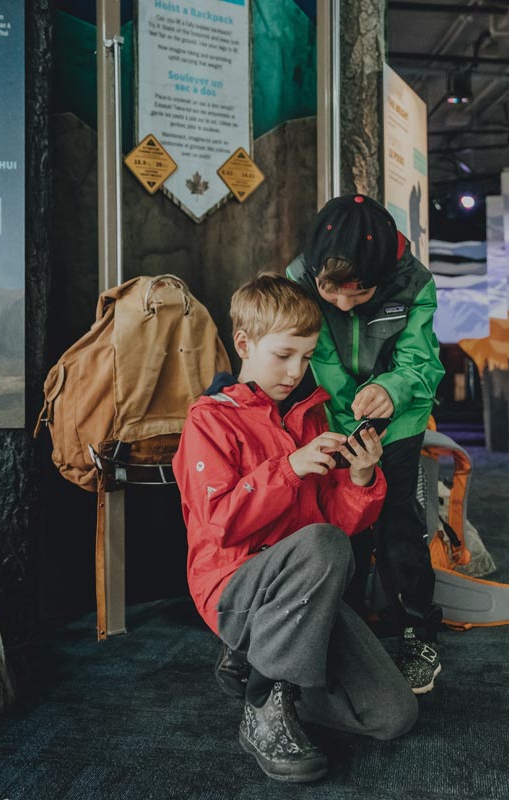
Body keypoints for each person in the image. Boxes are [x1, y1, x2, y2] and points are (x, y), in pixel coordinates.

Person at [172, 273, 418, 784]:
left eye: (305, 357)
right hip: (231, 586)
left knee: (394, 716)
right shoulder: (209, 420)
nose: (294, 371)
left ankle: (269, 669)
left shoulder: (310, 416)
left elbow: (334, 528)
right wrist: (288, 469)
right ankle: (264, 704)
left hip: (303, 592)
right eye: (283, 354)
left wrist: (361, 476)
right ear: (244, 343)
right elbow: (218, 525)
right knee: (321, 546)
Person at [287, 193, 445, 695]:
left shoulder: (415, 281)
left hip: (399, 421)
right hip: (332, 418)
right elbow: (321, 359)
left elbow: (422, 363)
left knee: (398, 522)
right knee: (339, 523)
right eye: (332, 293)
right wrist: (349, 415)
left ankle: (418, 633)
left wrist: (389, 390)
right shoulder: (300, 278)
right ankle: (347, 624)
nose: (342, 304)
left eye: (359, 294)